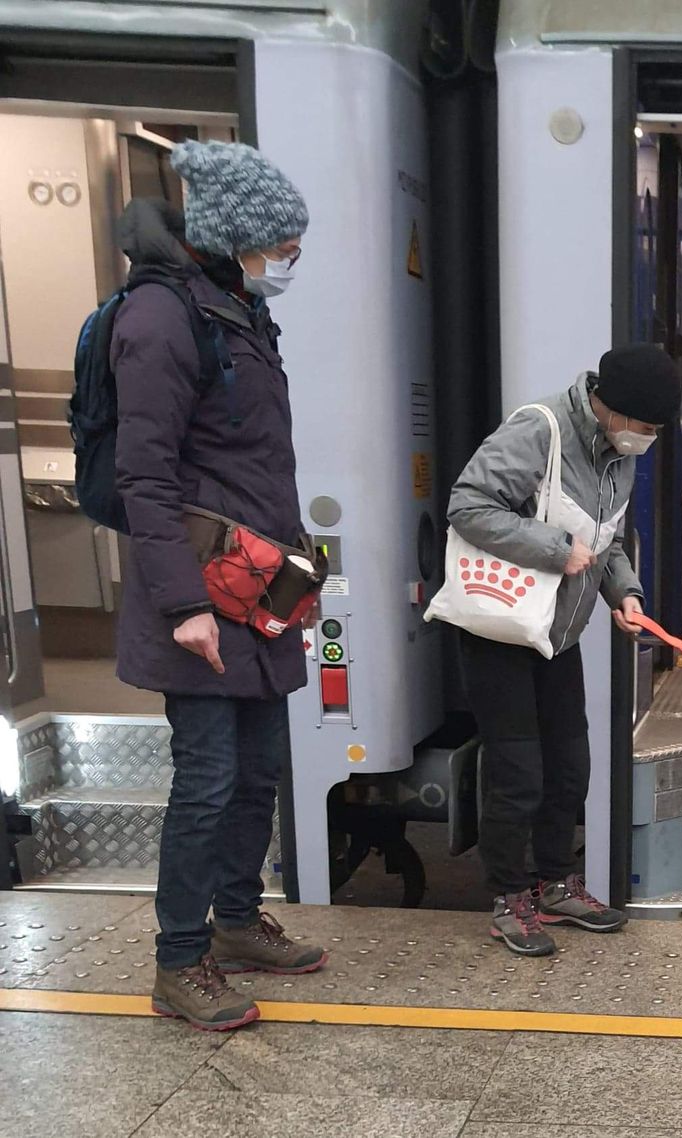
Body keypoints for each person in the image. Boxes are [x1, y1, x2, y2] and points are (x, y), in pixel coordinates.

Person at [113, 141, 325, 1031]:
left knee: (259, 773)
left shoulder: (235, 309)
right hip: (202, 594)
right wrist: (184, 605)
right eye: (284, 242)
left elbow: (252, 464)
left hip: (260, 591)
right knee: (206, 779)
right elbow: (146, 480)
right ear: (239, 235)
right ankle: (178, 960)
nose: (293, 259)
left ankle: (236, 922)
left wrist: (297, 578)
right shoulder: (161, 321)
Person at [448, 344, 681, 956]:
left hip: (558, 636)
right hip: (501, 633)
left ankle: (554, 882)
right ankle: (508, 896)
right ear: (614, 409)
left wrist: (623, 594)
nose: (650, 440)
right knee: (518, 775)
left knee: (569, 769)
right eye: (648, 428)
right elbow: (467, 505)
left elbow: (607, 539)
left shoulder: (616, 455)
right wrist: (554, 548)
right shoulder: (539, 428)